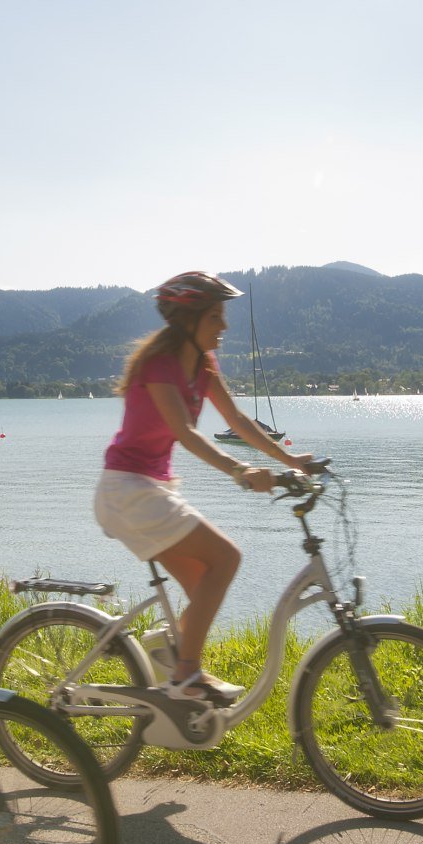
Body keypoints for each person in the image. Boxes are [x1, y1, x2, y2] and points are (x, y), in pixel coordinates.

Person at [96, 271, 315, 704]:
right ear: (189, 320)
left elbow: (237, 421)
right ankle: (185, 676)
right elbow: (186, 432)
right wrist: (239, 470)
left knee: (202, 585)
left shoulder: (204, 365)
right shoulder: (158, 366)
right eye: (215, 316)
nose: (224, 325)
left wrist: (290, 460)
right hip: (128, 490)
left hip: (150, 490)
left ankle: (167, 651)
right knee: (226, 557)